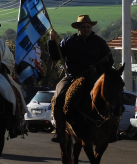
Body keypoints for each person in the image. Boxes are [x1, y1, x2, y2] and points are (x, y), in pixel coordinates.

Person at [47, 14, 115, 143]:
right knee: (59, 96)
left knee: (112, 97)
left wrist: (98, 69)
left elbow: (109, 61)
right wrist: (52, 40)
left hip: (95, 78)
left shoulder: (99, 42)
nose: (86, 29)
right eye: (83, 27)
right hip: (73, 77)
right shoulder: (68, 41)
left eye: (88, 27)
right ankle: (60, 130)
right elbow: (55, 56)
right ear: (78, 28)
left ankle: (114, 130)